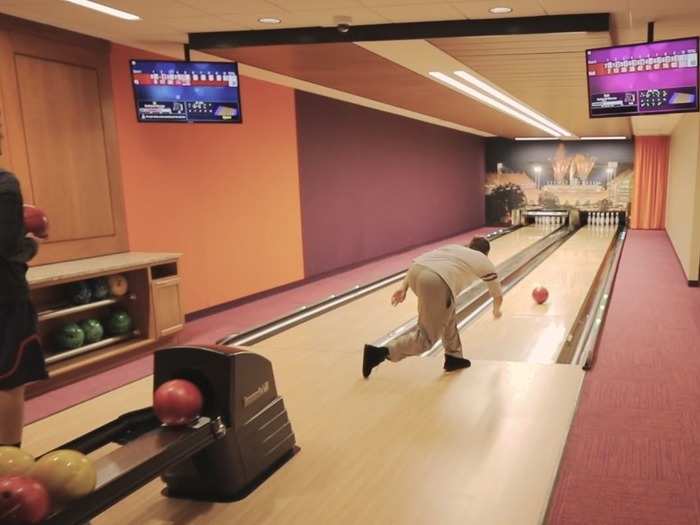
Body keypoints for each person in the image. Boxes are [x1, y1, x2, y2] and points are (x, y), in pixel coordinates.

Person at [363, 237, 503, 378]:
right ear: (486, 253)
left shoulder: (454, 247)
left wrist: (403, 287)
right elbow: (497, 295)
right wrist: (496, 310)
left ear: (469, 246)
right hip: (435, 281)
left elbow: (422, 262)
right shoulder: (484, 262)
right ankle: (380, 353)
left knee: (447, 311)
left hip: (415, 272)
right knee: (426, 339)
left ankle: (454, 357)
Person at [0, 169, 48, 447]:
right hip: (5, 300)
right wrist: (31, 244)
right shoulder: (4, 184)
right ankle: (8, 465)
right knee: (8, 380)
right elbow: (7, 247)